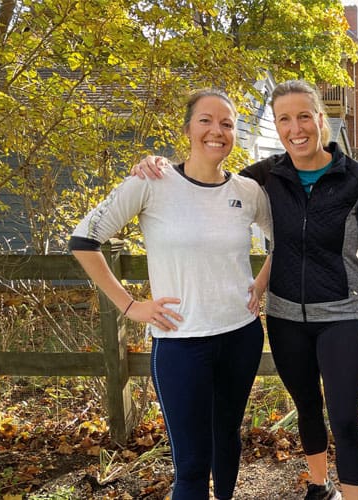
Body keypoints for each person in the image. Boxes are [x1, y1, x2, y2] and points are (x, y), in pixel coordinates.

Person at [133, 79, 358, 500]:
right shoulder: (268, 175)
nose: (295, 128)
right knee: (307, 406)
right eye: (283, 119)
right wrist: (157, 166)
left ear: (320, 120)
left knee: (344, 417)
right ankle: (318, 484)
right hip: (285, 317)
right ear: (276, 125)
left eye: (303, 116)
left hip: (343, 315)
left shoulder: (356, 177)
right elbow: (208, 175)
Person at [69, 89, 272, 500]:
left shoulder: (249, 192)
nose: (217, 131)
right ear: (187, 129)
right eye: (206, 121)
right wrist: (130, 305)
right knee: (192, 465)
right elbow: (83, 241)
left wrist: (262, 282)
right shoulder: (152, 182)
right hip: (181, 343)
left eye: (227, 124)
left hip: (241, 335)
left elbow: (281, 240)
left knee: (227, 437)